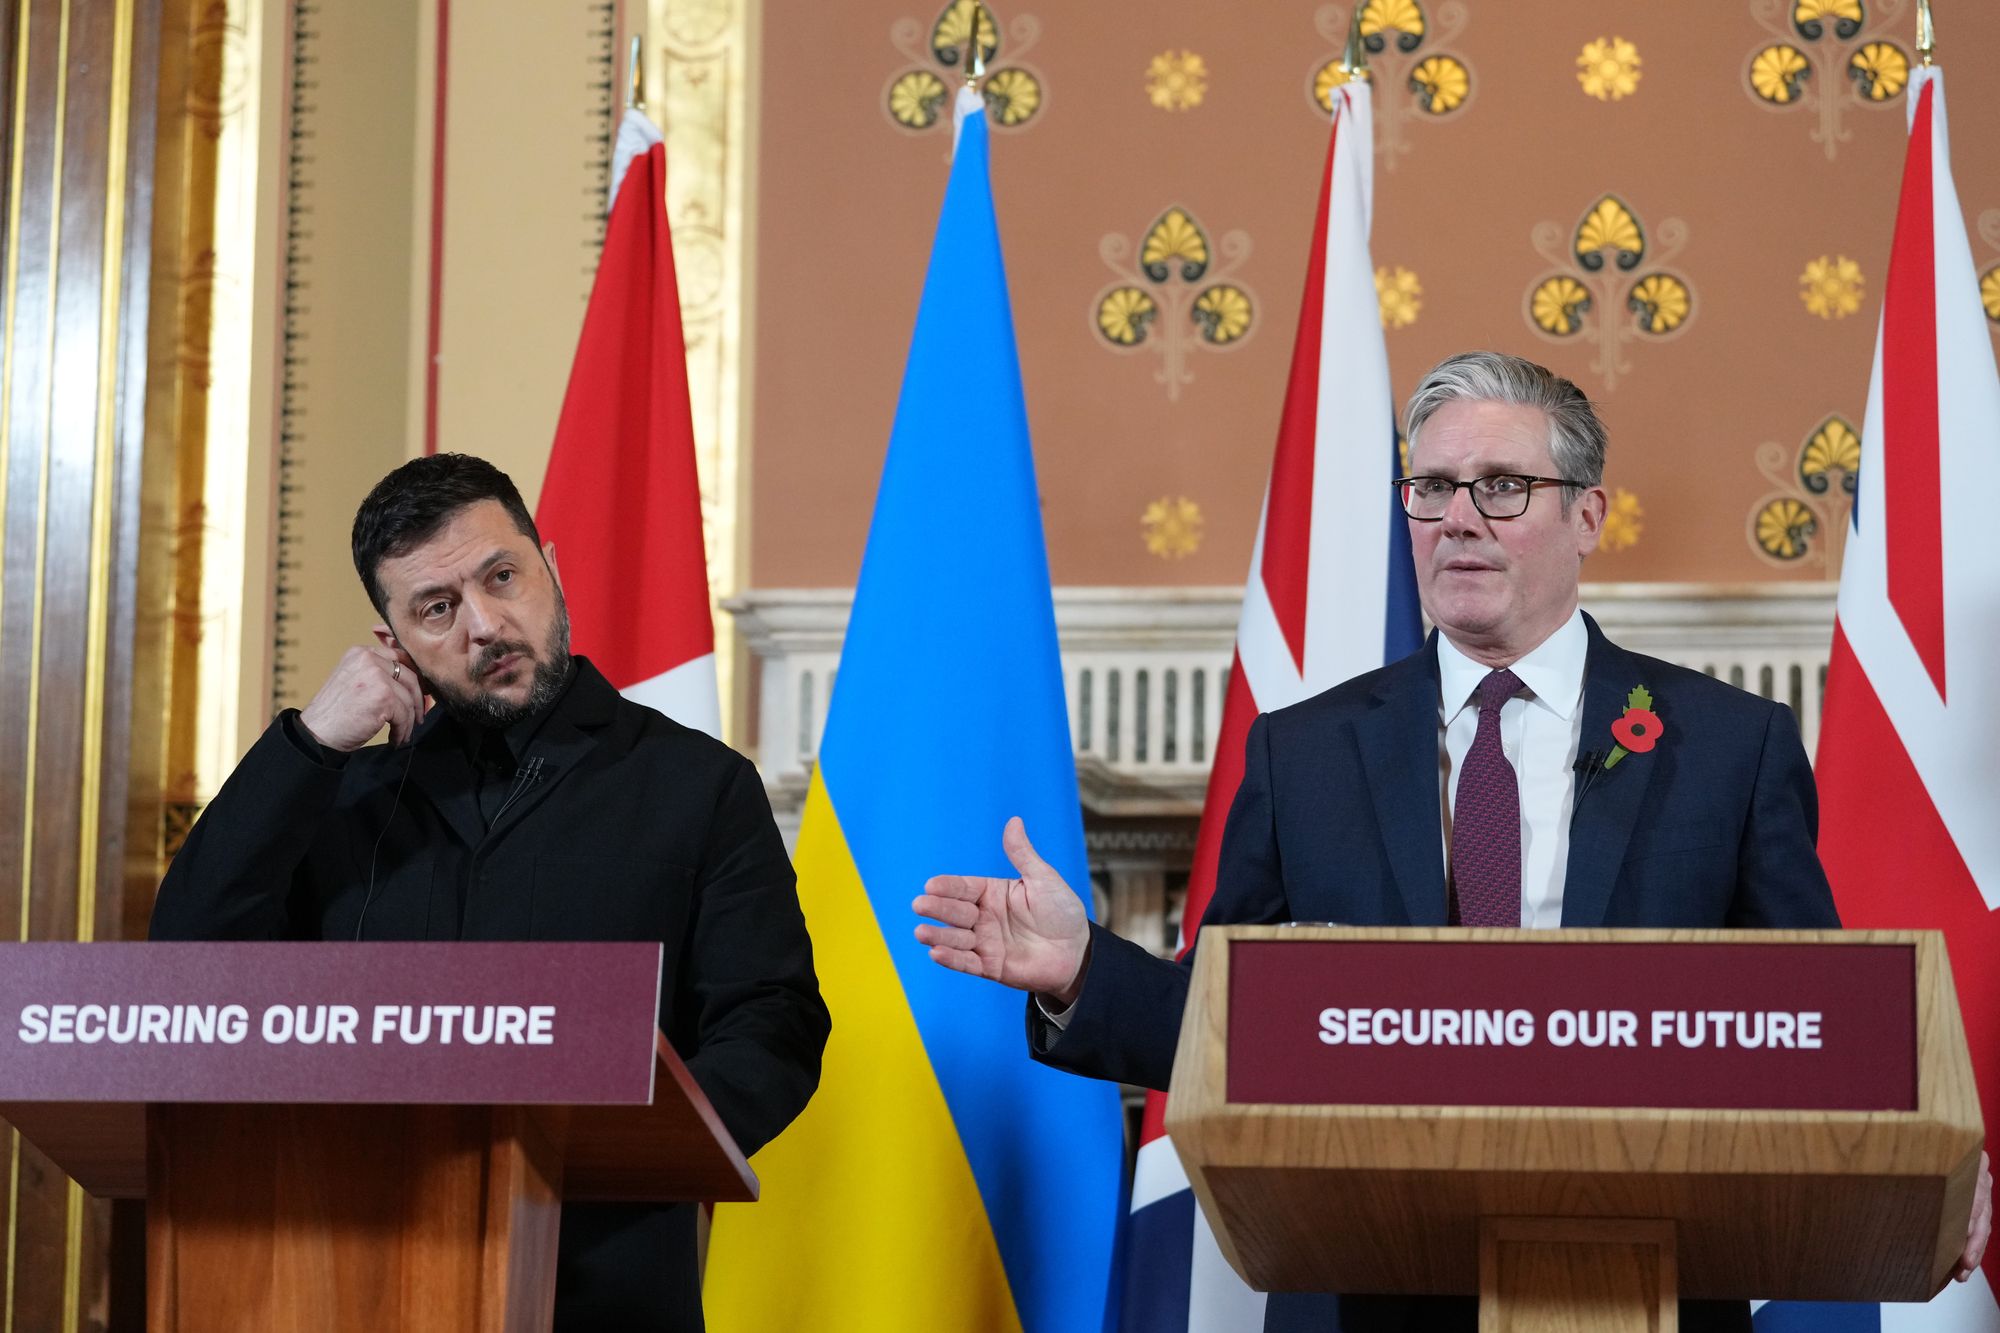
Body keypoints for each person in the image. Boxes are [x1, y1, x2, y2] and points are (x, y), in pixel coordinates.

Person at [913, 352, 1991, 1332]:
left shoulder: (1724, 746)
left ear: (1588, 515)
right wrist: (1081, 970)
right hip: (1374, 1285)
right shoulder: (1306, 752)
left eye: (1501, 487)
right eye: (1430, 488)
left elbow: (1804, 1019)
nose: (1457, 519)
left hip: (1647, 1278)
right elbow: (1236, 1022)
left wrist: (1932, 1159)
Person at [151, 453, 829, 1329]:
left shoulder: (698, 787)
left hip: (605, 1284)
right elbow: (190, 962)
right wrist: (311, 743)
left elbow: (773, 1022)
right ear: (392, 641)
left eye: (502, 577)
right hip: (348, 1276)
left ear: (550, 566)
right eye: (437, 608)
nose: (485, 624)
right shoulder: (341, 796)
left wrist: (630, 1149)